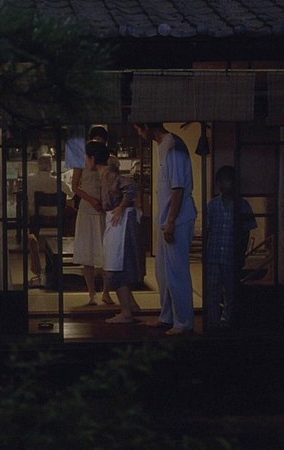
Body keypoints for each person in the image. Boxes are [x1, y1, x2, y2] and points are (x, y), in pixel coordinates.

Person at [134, 123, 197, 336]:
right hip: (167, 218)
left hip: (177, 218)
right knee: (163, 272)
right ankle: (167, 316)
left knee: (177, 272)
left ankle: (184, 322)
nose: (139, 134)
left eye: (139, 129)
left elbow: (178, 187)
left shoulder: (174, 146)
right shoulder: (163, 145)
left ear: (147, 126)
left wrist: (171, 220)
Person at [88, 147, 143, 323]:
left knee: (116, 265)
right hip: (115, 218)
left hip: (119, 220)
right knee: (116, 263)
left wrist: (121, 206)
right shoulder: (105, 175)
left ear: (93, 159)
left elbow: (130, 186)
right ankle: (131, 305)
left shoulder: (109, 175)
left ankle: (126, 311)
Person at [204, 165, 257, 331]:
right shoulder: (212, 205)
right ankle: (213, 323)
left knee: (231, 292)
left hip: (231, 255)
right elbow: (207, 231)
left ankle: (227, 323)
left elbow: (246, 232)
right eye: (221, 181)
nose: (224, 185)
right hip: (213, 255)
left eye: (227, 181)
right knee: (212, 291)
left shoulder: (243, 205)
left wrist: (241, 254)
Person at [71, 128, 113, 305]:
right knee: (86, 252)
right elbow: (75, 186)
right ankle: (91, 293)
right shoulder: (82, 159)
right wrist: (92, 200)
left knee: (107, 252)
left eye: (101, 142)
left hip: (104, 208)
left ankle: (106, 292)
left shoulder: (110, 160)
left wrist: (104, 201)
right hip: (87, 208)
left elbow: (113, 185)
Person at [26, 153, 72, 285]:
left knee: (30, 210)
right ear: (51, 166)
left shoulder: (30, 180)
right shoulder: (58, 181)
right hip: (56, 215)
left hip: (36, 217)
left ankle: (34, 248)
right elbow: (70, 193)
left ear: (38, 165)